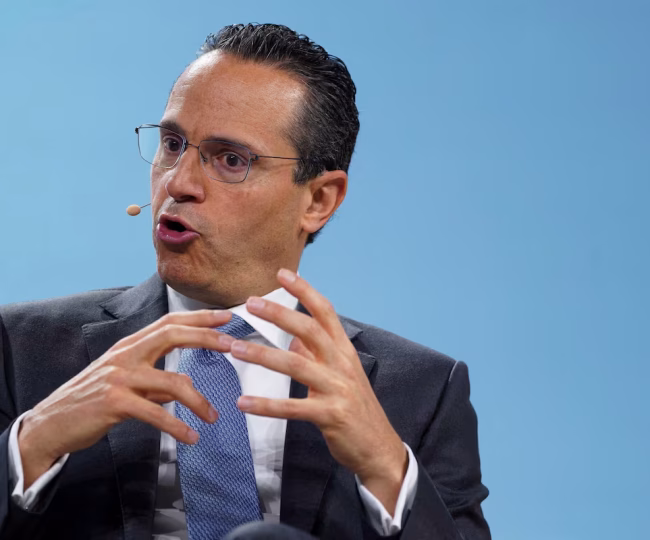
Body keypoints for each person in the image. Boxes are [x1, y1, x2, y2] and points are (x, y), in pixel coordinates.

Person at [0, 24, 490, 540]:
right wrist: (31, 443)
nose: (178, 183)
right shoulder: (20, 348)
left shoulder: (422, 392)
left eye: (231, 160)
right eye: (172, 144)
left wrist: (388, 467)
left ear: (318, 200)